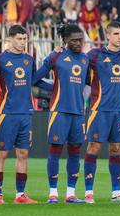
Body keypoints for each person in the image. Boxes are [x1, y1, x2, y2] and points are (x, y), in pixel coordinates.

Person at [0, 24, 51, 204]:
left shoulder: (29, 59)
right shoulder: (0, 59)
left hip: (26, 113)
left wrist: (57, 87)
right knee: (1, 153)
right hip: (7, 113)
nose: (23, 42)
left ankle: (20, 195)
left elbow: (34, 81)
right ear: (10, 39)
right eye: (19, 39)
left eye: (25, 39)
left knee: (23, 153)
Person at [32, 24, 90, 204]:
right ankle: (53, 194)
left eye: (80, 40)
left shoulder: (85, 60)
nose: (78, 43)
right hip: (59, 111)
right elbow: (34, 79)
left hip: (78, 112)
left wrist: (85, 99)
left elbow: (87, 83)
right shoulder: (55, 57)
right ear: (65, 40)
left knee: (74, 151)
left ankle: (71, 194)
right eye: (74, 40)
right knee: (55, 150)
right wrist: (54, 88)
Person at [84, 21, 120, 203]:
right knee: (94, 147)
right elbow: (77, 64)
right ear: (108, 36)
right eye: (116, 34)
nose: (119, 37)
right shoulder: (95, 55)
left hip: (119, 111)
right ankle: (88, 193)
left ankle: (116, 193)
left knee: (117, 149)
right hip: (99, 109)